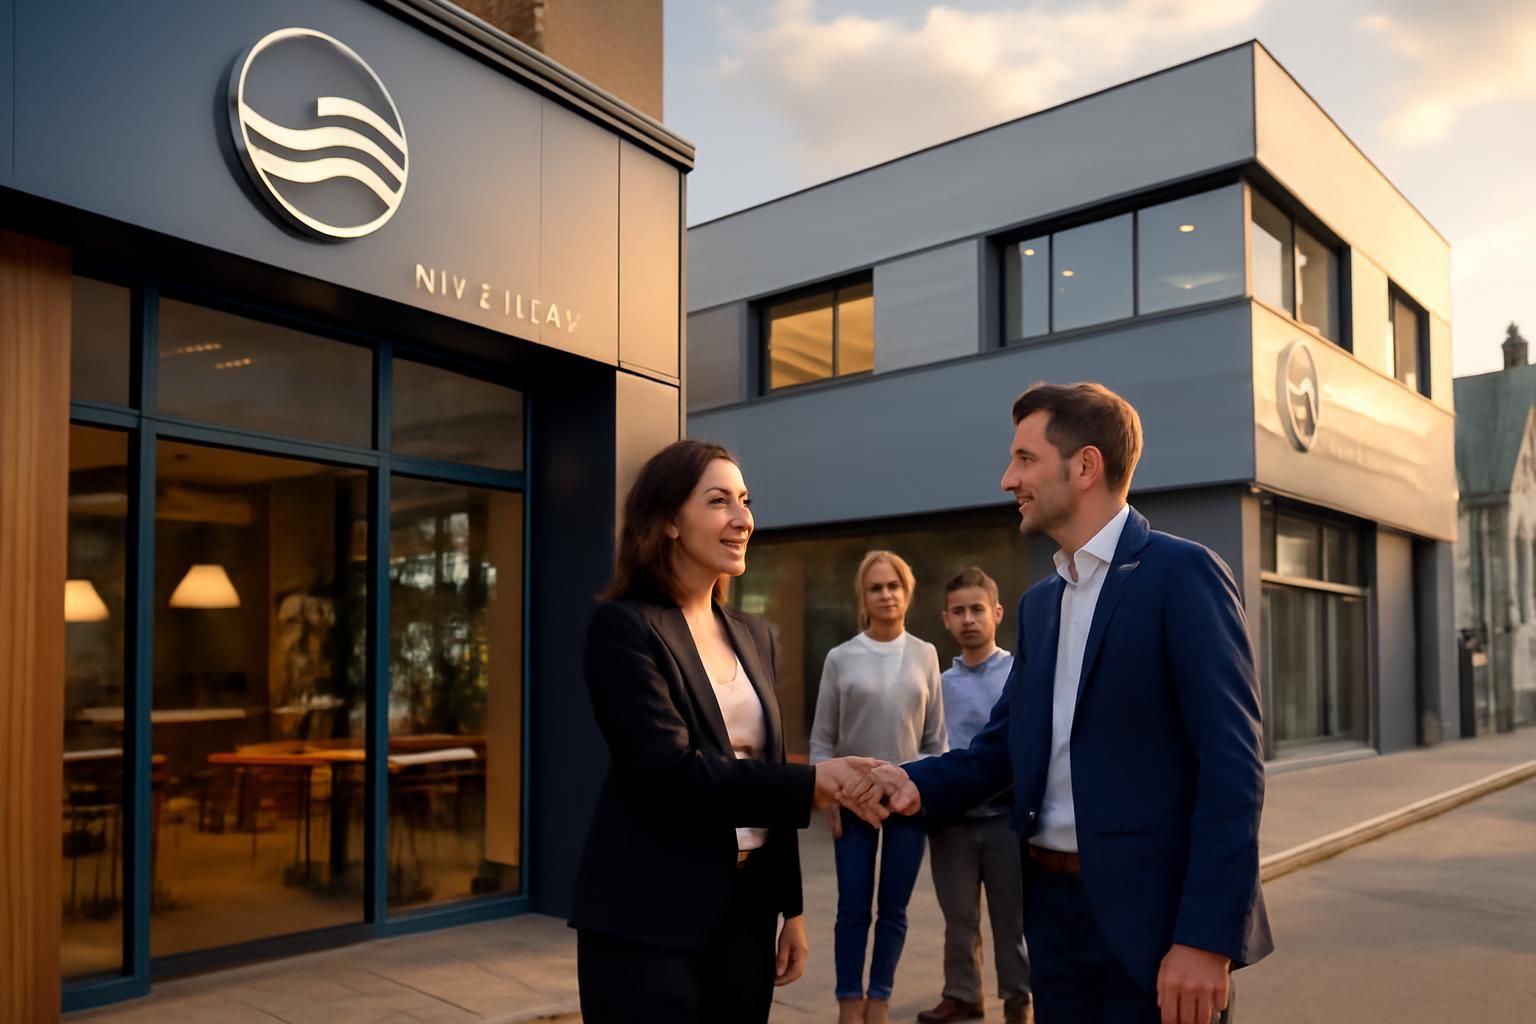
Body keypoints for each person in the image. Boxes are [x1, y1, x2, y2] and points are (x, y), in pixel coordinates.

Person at [852, 383, 1273, 1024]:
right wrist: (911, 782)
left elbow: (1232, 769)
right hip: (1051, 919)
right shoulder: (1041, 604)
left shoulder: (1183, 575)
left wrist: (1207, 937)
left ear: (1084, 467)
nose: (1006, 478)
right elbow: (1003, 745)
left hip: (1155, 929)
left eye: (1024, 459)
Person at [571, 439, 883, 1024]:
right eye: (719, 502)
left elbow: (760, 765)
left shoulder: (753, 633)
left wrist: (789, 908)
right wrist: (813, 783)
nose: (743, 520)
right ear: (666, 520)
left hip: (746, 913)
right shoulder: (624, 629)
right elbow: (667, 773)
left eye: (744, 500)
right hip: (648, 916)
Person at [810, 550, 948, 1024]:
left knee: (894, 907)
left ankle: (880, 999)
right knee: (852, 904)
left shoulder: (926, 654)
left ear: (907, 593)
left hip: (908, 801)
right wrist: (827, 794)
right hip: (852, 800)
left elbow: (936, 739)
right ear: (863, 598)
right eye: (876, 587)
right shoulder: (840, 657)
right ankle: (850, 1001)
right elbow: (822, 739)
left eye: (894, 586)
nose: (886, 594)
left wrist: (925, 789)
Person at [918, 567, 1032, 1024]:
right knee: (959, 919)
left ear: (997, 613)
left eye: (977, 609)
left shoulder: (1019, 674)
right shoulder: (939, 685)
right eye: (959, 611)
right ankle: (963, 994)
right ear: (946, 619)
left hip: (1007, 820)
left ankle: (1019, 1000)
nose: (969, 619)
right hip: (953, 822)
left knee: (1013, 921)